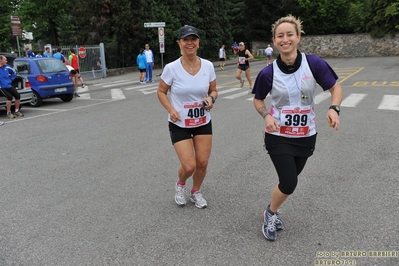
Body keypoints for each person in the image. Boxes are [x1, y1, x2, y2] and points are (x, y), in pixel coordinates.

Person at [252, 15, 343, 241]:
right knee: (290, 182)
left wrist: (334, 108)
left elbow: (335, 88)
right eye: (280, 36)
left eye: (289, 34)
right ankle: (271, 214)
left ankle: (270, 208)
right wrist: (265, 116)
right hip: (278, 135)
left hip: (305, 135)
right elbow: (258, 99)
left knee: (288, 180)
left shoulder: (314, 64)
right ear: (274, 41)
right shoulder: (268, 72)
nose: (285, 39)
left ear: (298, 37)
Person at [157, 25, 218, 209]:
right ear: (179, 44)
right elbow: (161, 91)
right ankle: (180, 184)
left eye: (193, 39)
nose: (190, 43)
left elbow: (214, 90)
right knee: (189, 166)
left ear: (198, 42)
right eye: (186, 40)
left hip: (202, 121)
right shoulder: (171, 68)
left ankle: (196, 191)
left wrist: (211, 98)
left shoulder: (207, 66)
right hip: (180, 123)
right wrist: (170, 109)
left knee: (202, 162)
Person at [0, 55, 24, 119]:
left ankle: (16, 111)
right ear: (1, 60)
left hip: (8, 85)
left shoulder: (7, 67)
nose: (6, 61)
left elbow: (14, 72)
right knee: (9, 97)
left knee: (17, 95)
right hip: (1, 87)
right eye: (5, 60)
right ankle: (8, 113)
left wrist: (11, 79)